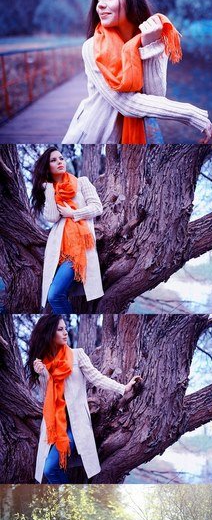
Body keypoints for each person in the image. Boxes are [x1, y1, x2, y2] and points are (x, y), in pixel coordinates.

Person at [61, 0, 212, 145]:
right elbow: (126, 104)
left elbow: (154, 96)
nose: (100, 5)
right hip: (94, 135)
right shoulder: (92, 47)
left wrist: (149, 46)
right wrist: (189, 113)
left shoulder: (155, 39)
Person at [27, 312, 140, 483]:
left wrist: (123, 388)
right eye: (60, 330)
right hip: (55, 426)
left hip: (75, 425)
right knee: (48, 468)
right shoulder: (44, 363)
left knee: (50, 468)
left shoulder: (77, 355)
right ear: (49, 333)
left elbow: (97, 377)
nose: (65, 333)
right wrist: (43, 374)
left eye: (65, 329)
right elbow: (48, 395)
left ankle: (69, 506)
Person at [31, 145, 103, 313]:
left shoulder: (82, 182)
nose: (59, 162)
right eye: (54, 160)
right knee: (56, 294)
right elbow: (52, 217)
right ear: (47, 167)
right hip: (59, 249)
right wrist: (48, 188)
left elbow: (97, 207)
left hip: (79, 248)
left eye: (61, 158)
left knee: (54, 295)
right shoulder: (50, 190)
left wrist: (73, 213)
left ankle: (62, 320)